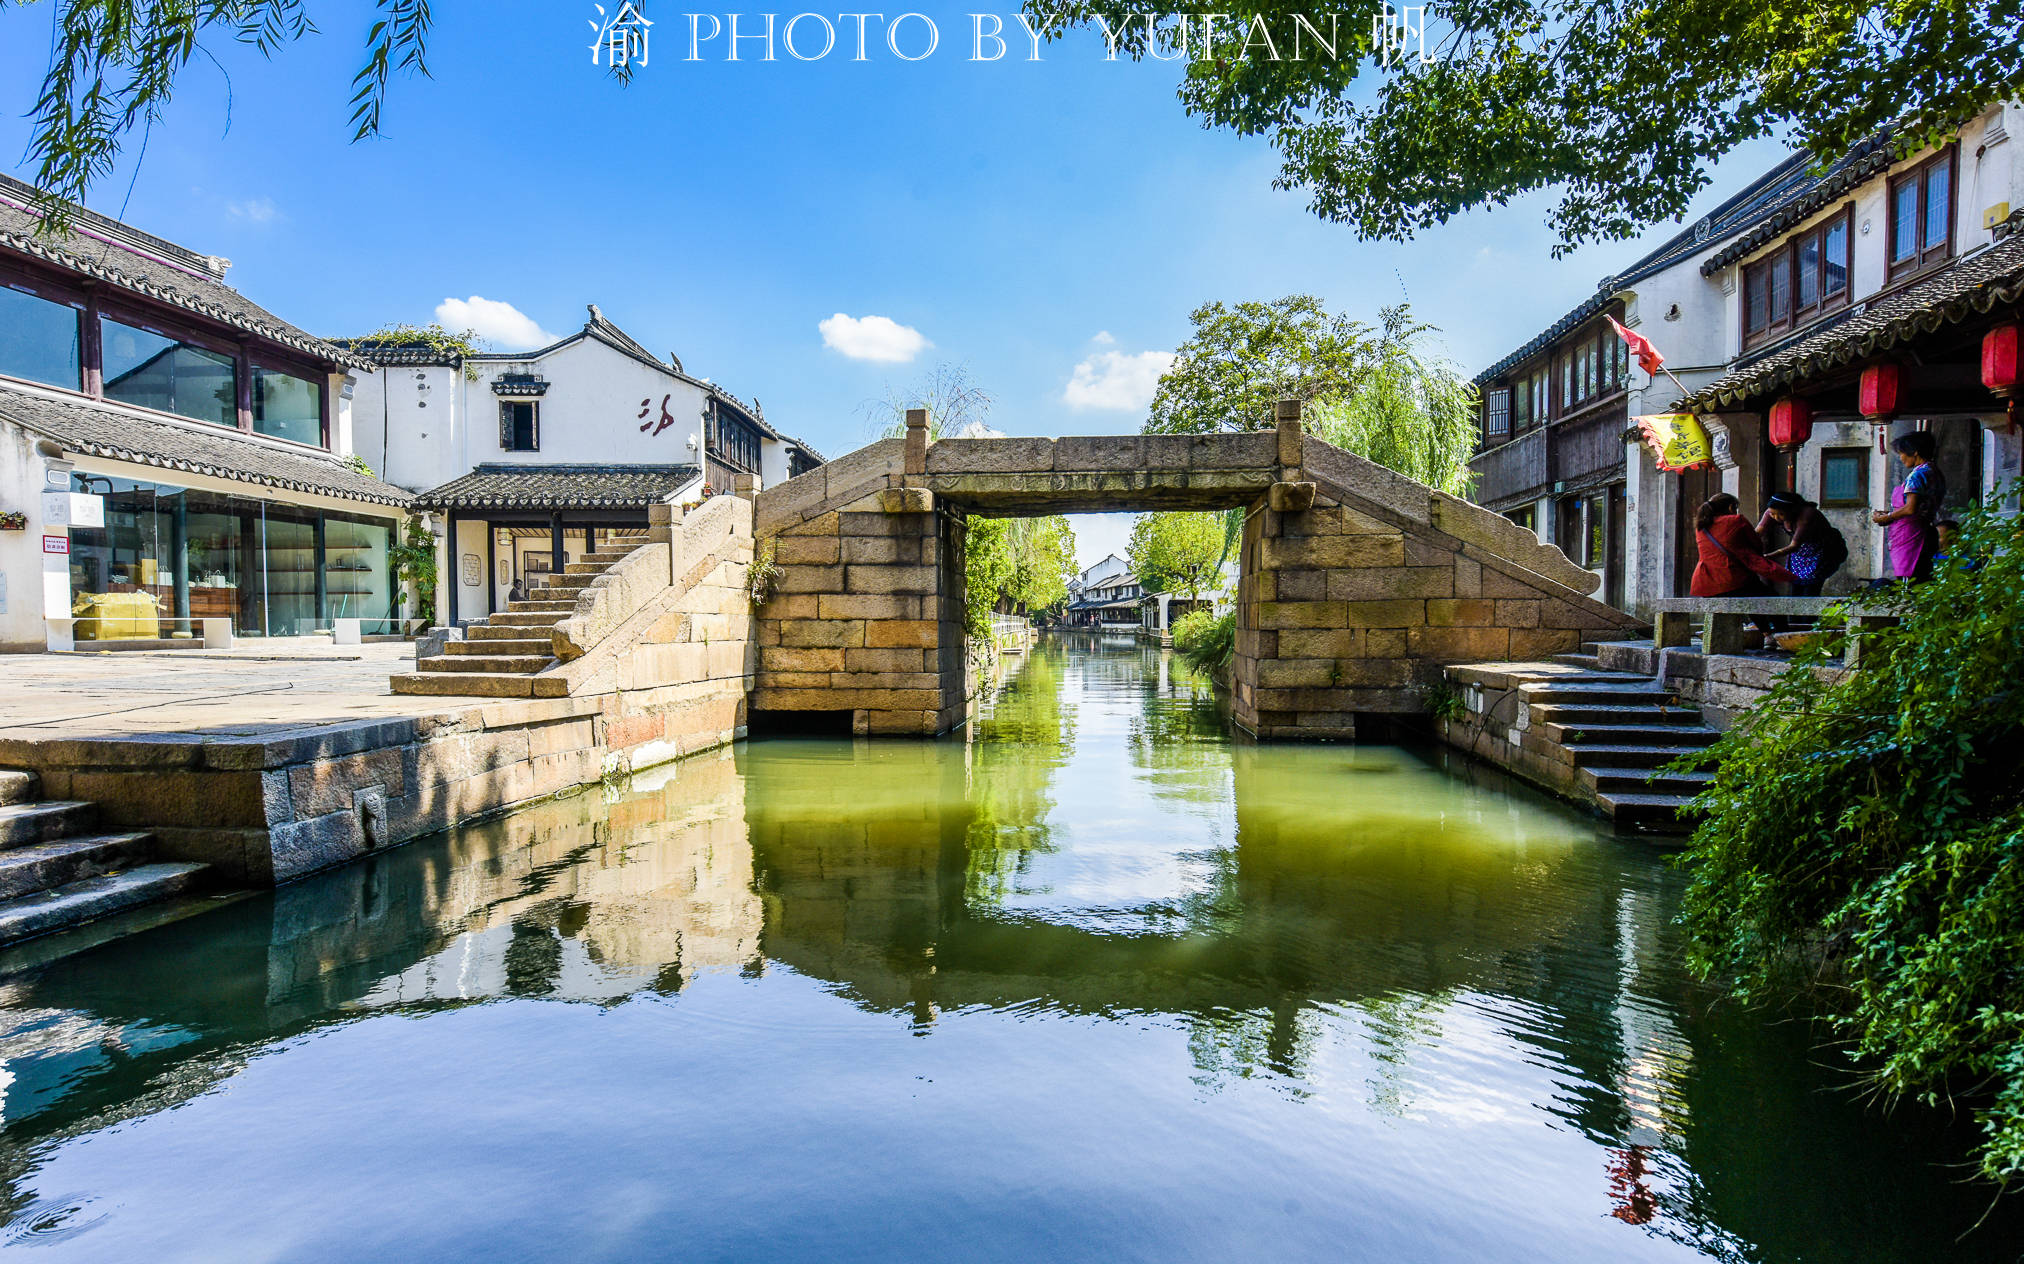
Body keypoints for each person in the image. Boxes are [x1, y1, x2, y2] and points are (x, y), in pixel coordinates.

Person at [1693, 492, 1797, 642]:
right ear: (1731, 507)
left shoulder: (1701, 526)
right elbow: (1755, 545)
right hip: (1731, 579)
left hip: (1706, 583)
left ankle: (1767, 635)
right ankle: (1783, 636)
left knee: (1753, 593)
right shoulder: (1736, 520)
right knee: (1770, 597)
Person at [1871, 431, 1946, 580]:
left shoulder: (1917, 475)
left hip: (1912, 537)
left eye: (1902, 453)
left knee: (1910, 582)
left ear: (1915, 452)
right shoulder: (1935, 472)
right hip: (1927, 532)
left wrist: (1888, 517)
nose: (1901, 457)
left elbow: (1910, 508)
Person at [1756, 489, 1847, 597]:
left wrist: (1768, 556)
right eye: (1772, 514)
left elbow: (1794, 546)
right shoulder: (1771, 512)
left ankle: (1808, 613)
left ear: (1792, 510)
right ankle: (1795, 613)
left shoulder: (1807, 516)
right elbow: (1757, 533)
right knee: (1795, 587)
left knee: (1810, 590)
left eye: (1780, 514)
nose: (1776, 517)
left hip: (1822, 551)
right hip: (1801, 552)